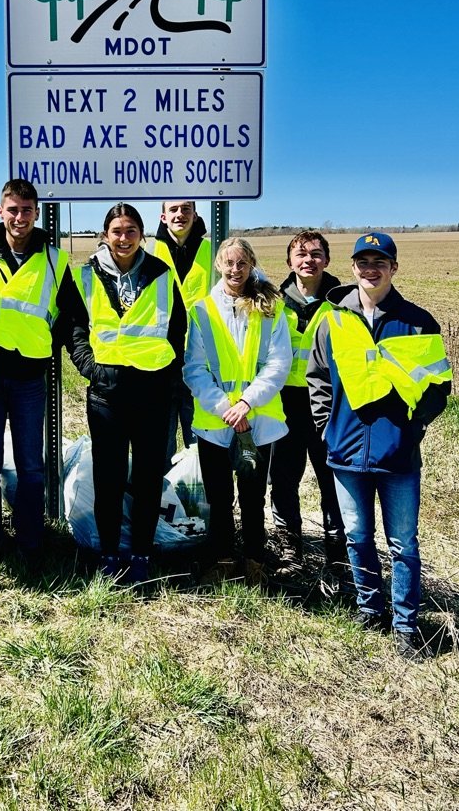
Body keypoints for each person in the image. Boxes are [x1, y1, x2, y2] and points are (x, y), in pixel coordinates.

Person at [307, 232, 451, 661]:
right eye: (363, 262)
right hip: (345, 450)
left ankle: (406, 624)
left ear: (393, 268)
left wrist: (414, 426)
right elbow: (317, 378)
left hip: (398, 453)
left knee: (403, 543)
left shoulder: (417, 321)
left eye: (380, 262)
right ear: (352, 267)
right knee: (357, 536)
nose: (370, 269)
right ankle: (370, 610)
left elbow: (439, 387)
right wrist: (326, 426)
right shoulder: (332, 319)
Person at [67, 203, 186, 584]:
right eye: (116, 230)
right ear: (105, 235)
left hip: (152, 393)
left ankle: (140, 553)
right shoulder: (86, 276)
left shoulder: (162, 274)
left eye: (131, 230)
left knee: (150, 476)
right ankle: (107, 553)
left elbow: (177, 328)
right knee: (109, 476)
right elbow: (74, 328)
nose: (123, 237)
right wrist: (92, 369)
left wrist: (166, 375)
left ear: (142, 234)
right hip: (107, 394)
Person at [0, 178, 77, 567]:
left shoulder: (54, 259)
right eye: (12, 210)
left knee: (32, 466)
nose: (19, 218)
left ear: (37, 213)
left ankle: (30, 542)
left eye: (26, 210)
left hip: (32, 376)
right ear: (0, 212)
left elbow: (71, 317)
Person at [184, 237, 292, 585]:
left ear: (251, 265)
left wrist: (248, 402)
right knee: (218, 496)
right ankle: (223, 559)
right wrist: (225, 406)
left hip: (256, 420)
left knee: (252, 496)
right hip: (215, 421)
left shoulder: (270, 307)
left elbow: (279, 363)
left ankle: (255, 560)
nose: (235, 270)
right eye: (228, 263)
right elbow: (194, 368)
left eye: (241, 263)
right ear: (218, 265)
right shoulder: (201, 310)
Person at [268, 230, 347, 591]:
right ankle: (290, 550)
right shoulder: (273, 302)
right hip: (284, 403)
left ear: (327, 260)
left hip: (329, 404)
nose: (308, 260)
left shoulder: (344, 302)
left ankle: (338, 553)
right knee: (284, 478)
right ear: (289, 262)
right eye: (300, 255)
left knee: (333, 477)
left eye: (316, 254)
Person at [147, 200, 212, 464]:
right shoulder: (149, 251)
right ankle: (164, 500)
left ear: (195, 215)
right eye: (173, 210)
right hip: (161, 360)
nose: (180, 215)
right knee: (159, 441)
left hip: (203, 360)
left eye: (186, 209)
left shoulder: (214, 249)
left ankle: (200, 502)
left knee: (200, 443)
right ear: (163, 216)